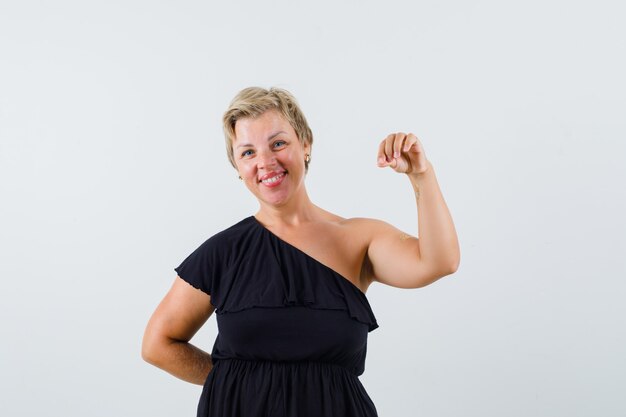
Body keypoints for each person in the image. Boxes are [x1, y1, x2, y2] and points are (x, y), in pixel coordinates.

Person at [141, 86, 460, 417]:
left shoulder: (357, 238)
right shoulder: (223, 252)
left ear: (305, 144)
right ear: (237, 166)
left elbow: (440, 261)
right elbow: (157, 344)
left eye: (278, 143)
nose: (265, 162)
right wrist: (237, 382)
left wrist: (421, 175)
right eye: (248, 152)